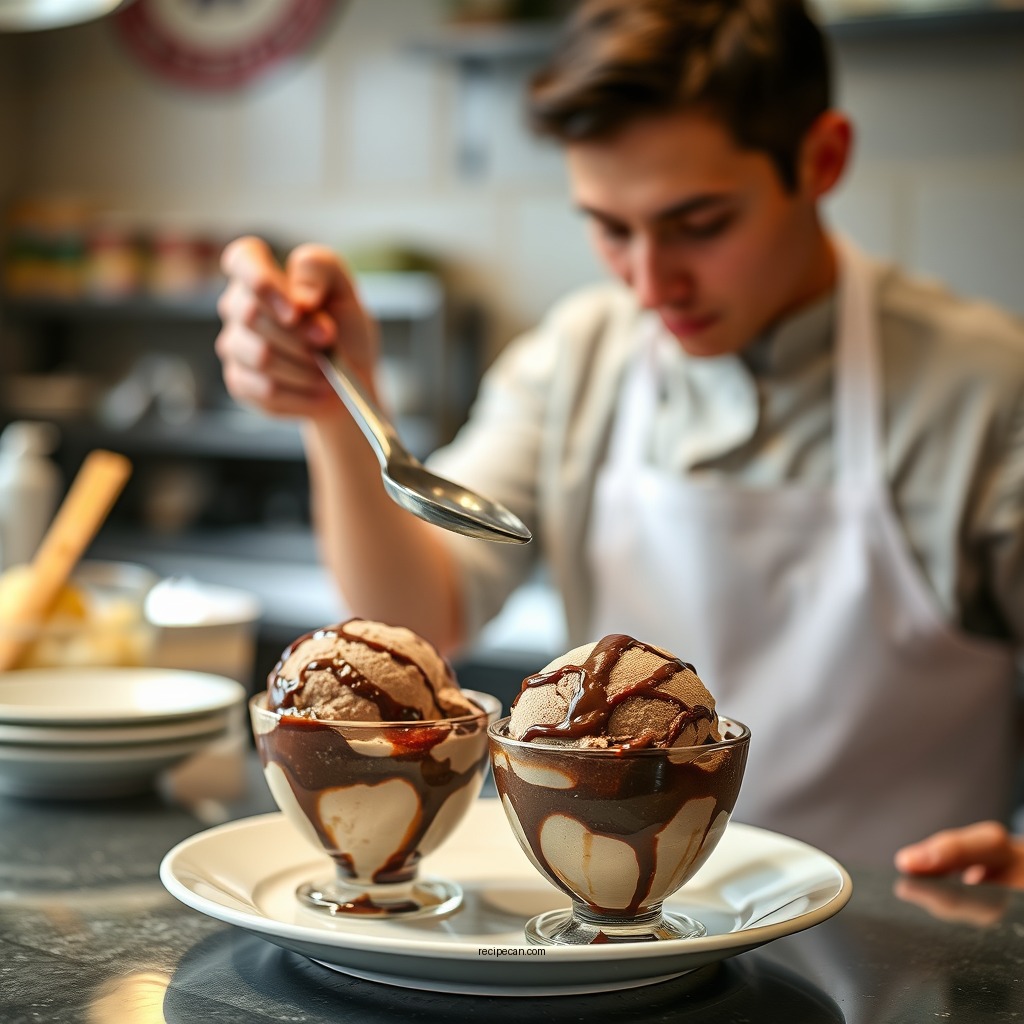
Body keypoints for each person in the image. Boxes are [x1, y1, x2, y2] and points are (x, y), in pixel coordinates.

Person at [214, 0, 1024, 878]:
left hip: (901, 962)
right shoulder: (578, 358)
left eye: (702, 223)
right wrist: (338, 411)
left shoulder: (984, 388)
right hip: (620, 946)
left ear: (822, 160)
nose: (650, 282)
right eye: (609, 226)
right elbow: (418, 619)